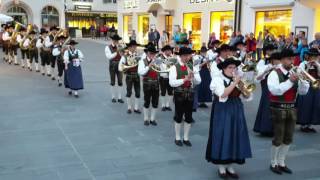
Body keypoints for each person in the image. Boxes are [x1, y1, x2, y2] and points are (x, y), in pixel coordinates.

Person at [206, 57, 252, 179]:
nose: (233, 70)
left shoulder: (236, 79)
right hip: (222, 110)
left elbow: (248, 97)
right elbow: (223, 94)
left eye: (234, 68)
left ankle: (230, 165)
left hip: (236, 109)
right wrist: (235, 82)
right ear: (224, 69)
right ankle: (221, 166)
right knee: (222, 135)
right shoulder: (217, 79)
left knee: (235, 135)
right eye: (230, 68)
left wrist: (244, 89)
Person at [268, 49, 310, 175]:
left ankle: (282, 162)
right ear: (281, 60)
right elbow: (275, 90)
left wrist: (302, 82)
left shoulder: (296, 72)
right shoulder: (274, 73)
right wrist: (290, 81)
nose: (291, 61)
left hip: (292, 107)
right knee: (278, 137)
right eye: (288, 59)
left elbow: (303, 92)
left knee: (289, 137)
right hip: (277, 108)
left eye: (292, 59)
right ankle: (273, 163)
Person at [169, 47, 201, 147]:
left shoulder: (193, 66)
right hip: (179, 94)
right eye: (185, 56)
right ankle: (177, 137)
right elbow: (171, 83)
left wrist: (193, 77)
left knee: (188, 117)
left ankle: (186, 138)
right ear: (181, 56)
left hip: (190, 94)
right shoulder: (174, 67)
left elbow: (198, 81)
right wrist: (184, 79)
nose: (187, 58)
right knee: (178, 116)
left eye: (188, 56)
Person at [254, 48, 281, 136]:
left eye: (279, 60)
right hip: (267, 92)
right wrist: (266, 71)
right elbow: (257, 79)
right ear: (272, 60)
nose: (278, 62)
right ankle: (265, 128)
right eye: (277, 60)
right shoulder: (266, 67)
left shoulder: (281, 68)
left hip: (277, 91)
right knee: (266, 109)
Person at [296, 48, 320, 133]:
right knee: (306, 105)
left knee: (315, 105)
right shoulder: (303, 64)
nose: (314, 58)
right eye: (312, 56)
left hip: (316, 87)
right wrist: (308, 67)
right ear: (309, 56)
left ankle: (309, 124)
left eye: (315, 56)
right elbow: (300, 75)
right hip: (306, 87)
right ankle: (303, 124)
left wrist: (317, 66)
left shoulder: (318, 64)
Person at [138, 45, 160, 126]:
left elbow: (161, 70)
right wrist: (148, 66)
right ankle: (146, 118)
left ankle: (152, 119)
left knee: (155, 102)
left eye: (154, 54)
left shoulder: (157, 60)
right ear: (147, 53)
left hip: (156, 83)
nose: (152, 55)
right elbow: (140, 72)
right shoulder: (142, 61)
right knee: (147, 101)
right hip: (147, 83)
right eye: (151, 53)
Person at [118, 40, 142, 114]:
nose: (135, 48)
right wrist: (126, 67)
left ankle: (136, 108)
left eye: (135, 46)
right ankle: (129, 107)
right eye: (134, 46)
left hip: (137, 75)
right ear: (129, 47)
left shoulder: (137, 55)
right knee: (129, 92)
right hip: (129, 75)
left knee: (138, 92)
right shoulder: (125, 56)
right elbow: (120, 67)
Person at [105, 34, 124, 103]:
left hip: (120, 64)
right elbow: (109, 57)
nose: (117, 41)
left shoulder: (120, 47)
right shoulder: (107, 47)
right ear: (112, 40)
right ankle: (113, 97)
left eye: (117, 40)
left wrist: (123, 52)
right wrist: (117, 52)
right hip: (112, 65)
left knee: (120, 82)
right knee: (112, 82)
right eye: (115, 40)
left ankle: (119, 97)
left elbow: (123, 56)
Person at [159, 45, 175, 111]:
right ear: (165, 51)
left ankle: (168, 105)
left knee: (170, 92)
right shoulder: (161, 58)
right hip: (163, 76)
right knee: (163, 92)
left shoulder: (172, 58)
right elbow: (163, 67)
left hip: (170, 77)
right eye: (168, 50)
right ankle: (163, 105)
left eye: (170, 50)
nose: (170, 52)